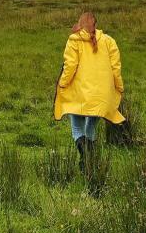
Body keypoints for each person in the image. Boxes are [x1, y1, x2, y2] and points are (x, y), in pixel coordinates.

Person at [53, 11, 125, 172]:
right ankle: (89, 161)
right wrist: (119, 87)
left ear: (79, 24)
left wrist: (62, 84)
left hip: (79, 94)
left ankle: (85, 156)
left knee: (77, 128)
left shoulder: (74, 40)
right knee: (91, 127)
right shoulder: (109, 42)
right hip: (101, 96)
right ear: (96, 25)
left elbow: (70, 66)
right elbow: (116, 69)